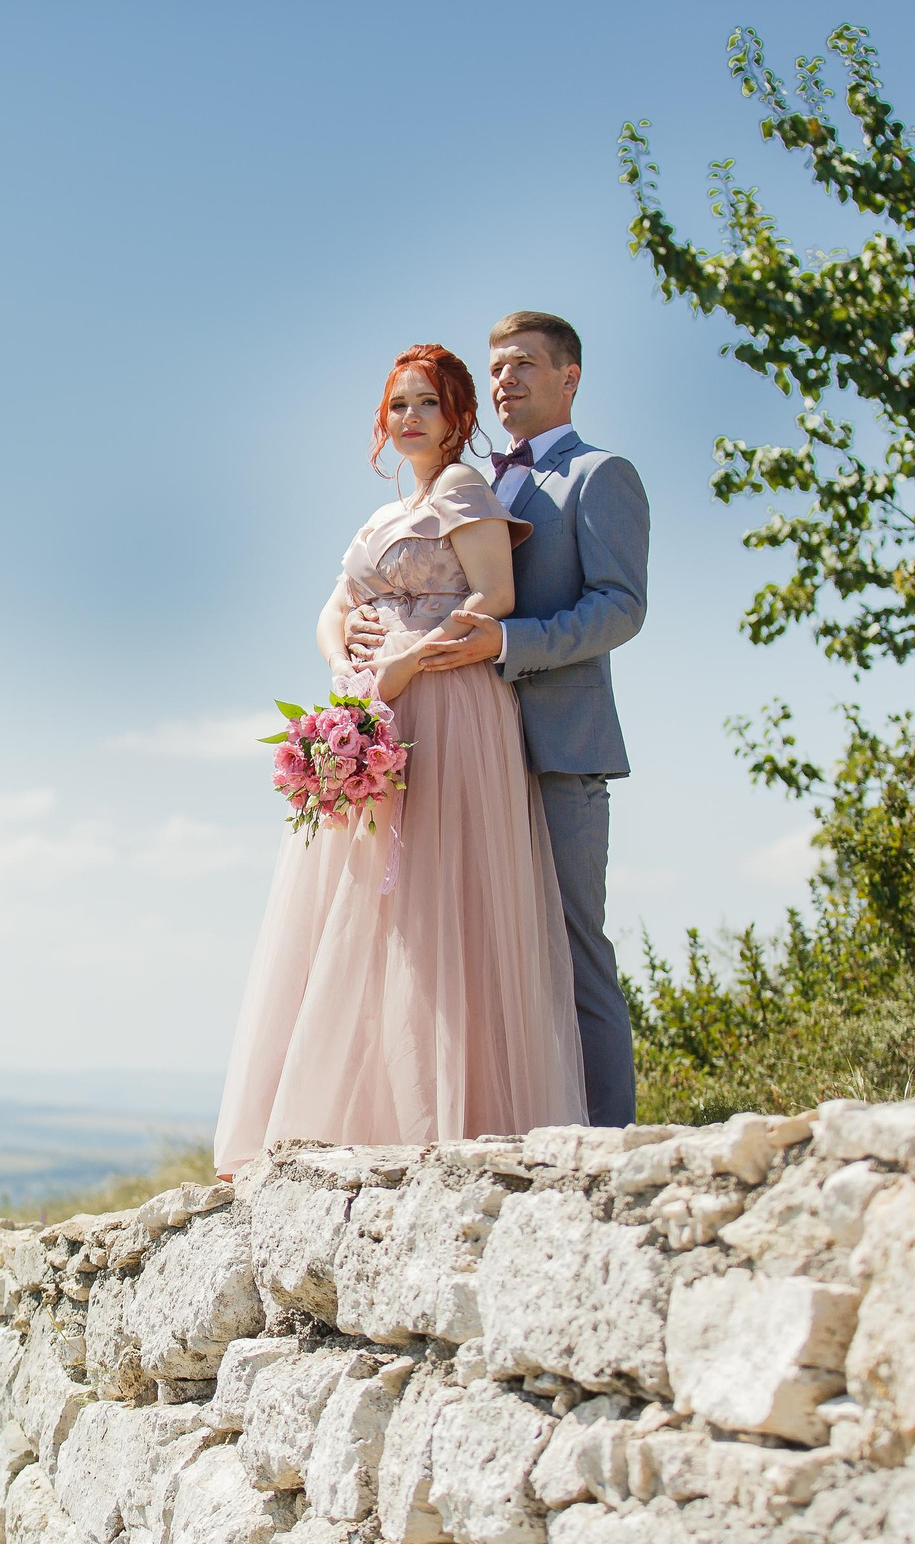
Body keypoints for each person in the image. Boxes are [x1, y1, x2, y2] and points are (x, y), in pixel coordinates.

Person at [210, 343, 586, 1179]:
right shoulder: (382, 515)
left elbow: (495, 597)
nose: (409, 417)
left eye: (427, 403)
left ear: (457, 418)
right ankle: (365, 1112)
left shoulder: (463, 491)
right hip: (378, 703)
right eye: (398, 404)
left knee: (440, 897)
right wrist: (344, 665)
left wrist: (407, 660)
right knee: (368, 908)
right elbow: (333, 606)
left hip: (449, 704)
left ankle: (463, 1112)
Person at [383, 311, 647, 1128]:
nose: (506, 380)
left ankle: (608, 1144)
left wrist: (510, 640)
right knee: (478, 948)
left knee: (572, 950)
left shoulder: (601, 475)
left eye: (525, 365)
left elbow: (620, 609)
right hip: (467, 745)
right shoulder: (472, 481)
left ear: (569, 378)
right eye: (497, 368)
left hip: (558, 747)